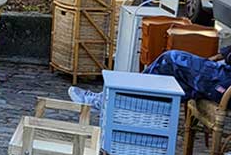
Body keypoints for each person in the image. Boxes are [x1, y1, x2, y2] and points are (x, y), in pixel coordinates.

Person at [71, 46, 231, 110]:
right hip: (222, 74)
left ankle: (107, 100)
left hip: (226, 84)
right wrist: (218, 56)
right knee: (165, 90)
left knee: (171, 59)